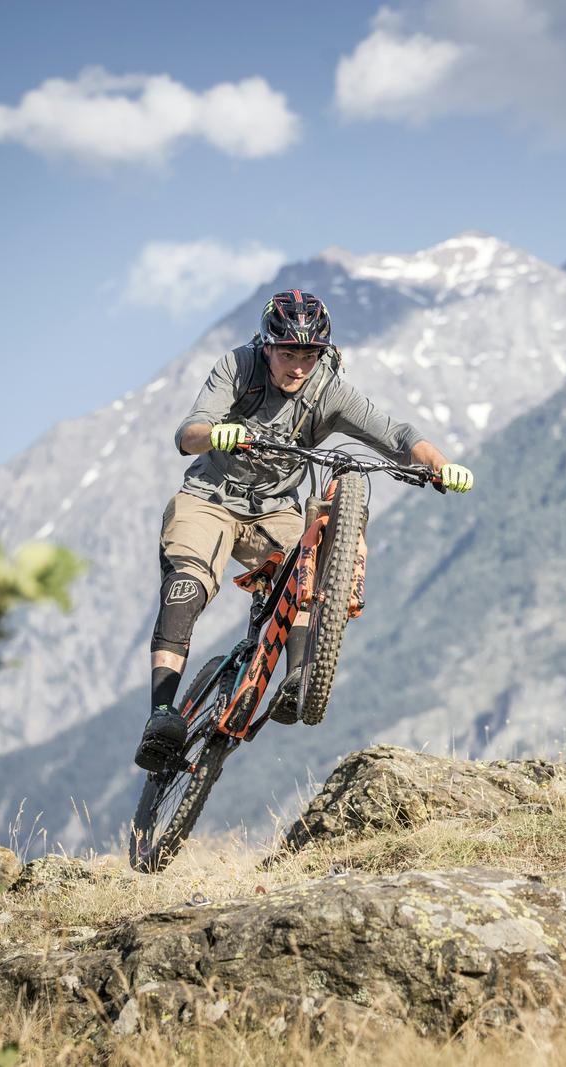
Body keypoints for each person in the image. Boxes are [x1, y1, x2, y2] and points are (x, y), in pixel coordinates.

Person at [134, 289, 474, 772]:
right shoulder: (238, 368)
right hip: (209, 498)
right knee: (188, 584)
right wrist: (217, 433)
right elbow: (188, 434)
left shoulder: (329, 390)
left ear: (323, 353)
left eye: (309, 355)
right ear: (267, 346)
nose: (298, 366)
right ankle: (163, 714)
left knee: (306, 573)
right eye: (288, 353)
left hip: (274, 510)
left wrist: (441, 466)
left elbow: (395, 435)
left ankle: (297, 679)